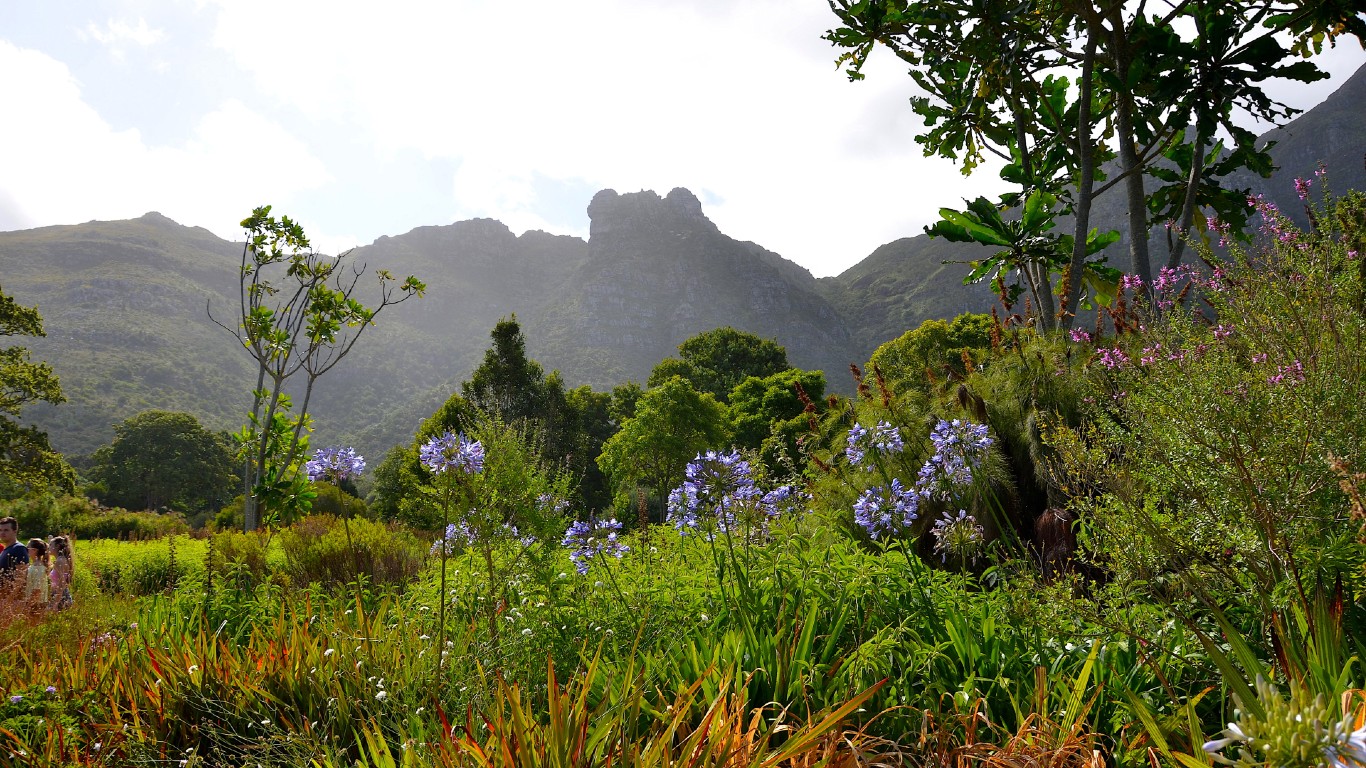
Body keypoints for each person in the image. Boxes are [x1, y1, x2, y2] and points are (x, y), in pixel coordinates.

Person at [0, 517, 28, 602]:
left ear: (15, 531)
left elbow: (21, 577)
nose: (2, 533)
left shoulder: (19, 548)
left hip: (10, 601)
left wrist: (8, 600)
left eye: (6, 530)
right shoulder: (6, 550)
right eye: (0, 530)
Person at [48, 536, 73, 611]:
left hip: (61, 598)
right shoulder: (60, 560)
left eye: (50, 545)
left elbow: (62, 584)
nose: (48, 547)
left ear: (57, 546)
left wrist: (55, 603)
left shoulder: (60, 561)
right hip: (58, 596)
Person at [25, 539, 48, 612]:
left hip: (36, 604)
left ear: (34, 550)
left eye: (27, 548)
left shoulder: (39, 568)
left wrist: (28, 606)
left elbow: (37, 590)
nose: (25, 550)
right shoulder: (34, 565)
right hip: (33, 602)